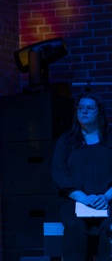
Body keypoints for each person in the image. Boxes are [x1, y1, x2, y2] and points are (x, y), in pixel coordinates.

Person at [52, 92, 112, 260]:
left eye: (90, 108)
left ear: (99, 111)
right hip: (75, 200)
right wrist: (83, 198)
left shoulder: (110, 139)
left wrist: (106, 197)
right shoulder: (66, 141)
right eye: (80, 108)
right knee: (75, 226)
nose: (84, 111)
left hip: (108, 199)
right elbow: (59, 173)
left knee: (109, 228)